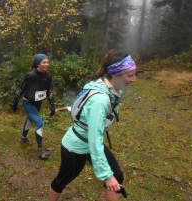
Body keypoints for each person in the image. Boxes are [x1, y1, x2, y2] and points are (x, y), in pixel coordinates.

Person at [49, 50, 136, 201]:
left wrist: (110, 176)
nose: (134, 79)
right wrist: (106, 176)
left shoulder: (105, 85)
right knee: (62, 179)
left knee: (117, 177)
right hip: (76, 147)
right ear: (115, 75)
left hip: (89, 141)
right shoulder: (100, 100)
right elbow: (94, 140)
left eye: (135, 74)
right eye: (130, 75)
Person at [12, 53, 55, 159]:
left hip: (38, 103)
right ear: (37, 64)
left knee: (29, 120)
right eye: (43, 62)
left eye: (47, 62)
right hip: (28, 103)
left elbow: (49, 90)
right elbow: (22, 88)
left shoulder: (47, 76)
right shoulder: (31, 75)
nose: (46, 64)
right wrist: (15, 102)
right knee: (40, 123)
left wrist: (52, 104)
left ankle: (23, 138)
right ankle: (41, 150)